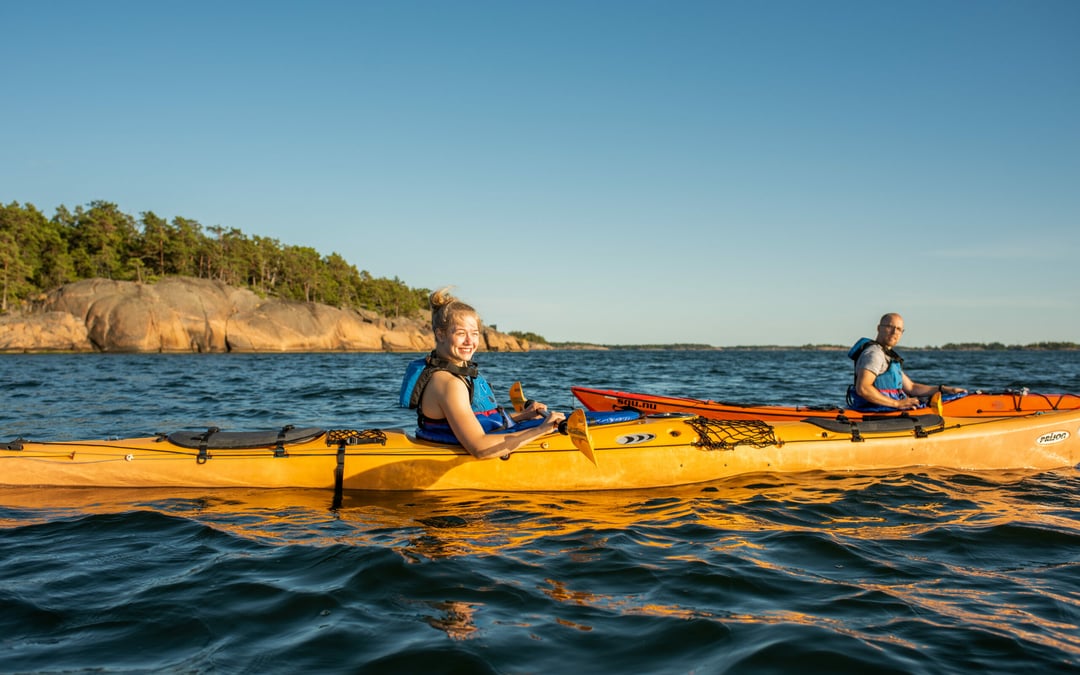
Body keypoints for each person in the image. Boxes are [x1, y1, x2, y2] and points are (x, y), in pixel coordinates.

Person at [400, 287, 565, 459]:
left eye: (474, 334)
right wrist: (541, 429)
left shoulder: (451, 374)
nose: (469, 341)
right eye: (461, 333)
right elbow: (480, 448)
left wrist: (525, 415)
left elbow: (477, 420)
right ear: (440, 335)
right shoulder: (450, 384)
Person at [847, 313, 966, 411]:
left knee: (947, 399)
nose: (894, 332)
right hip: (878, 412)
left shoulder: (887, 355)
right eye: (889, 327)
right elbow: (863, 388)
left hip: (888, 409)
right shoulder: (875, 354)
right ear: (879, 328)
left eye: (899, 329)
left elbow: (911, 387)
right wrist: (897, 403)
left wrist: (944, 390)